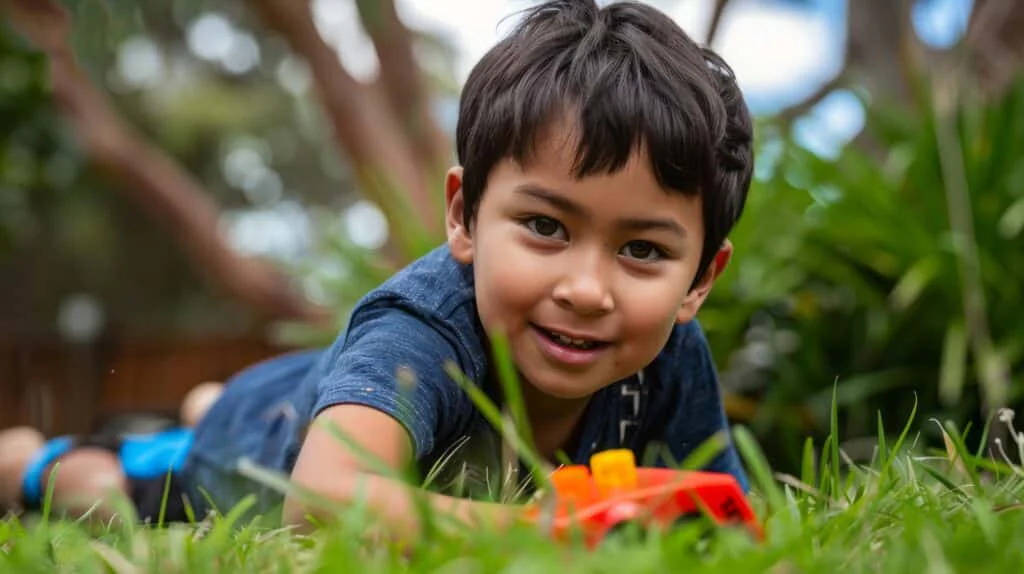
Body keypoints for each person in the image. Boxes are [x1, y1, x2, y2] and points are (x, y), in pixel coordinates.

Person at [6, 0, 755, 537]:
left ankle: (221, 397)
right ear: (463, 216)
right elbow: (325, 503)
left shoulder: (667, 355)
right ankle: (33, 462)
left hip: (326, 392)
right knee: (114, 491)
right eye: (545, 227)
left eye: (643, 251)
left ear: (699, 280)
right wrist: (548, 529)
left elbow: (720, 510)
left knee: (301, 393)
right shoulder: (426, 328)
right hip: (261, 445)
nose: (587, 290)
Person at [0, 382, 224, 522]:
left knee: (19, 459)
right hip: (134, 449)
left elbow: (102, 498)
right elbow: (201, 400)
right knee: (21, 444)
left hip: (125, 477)